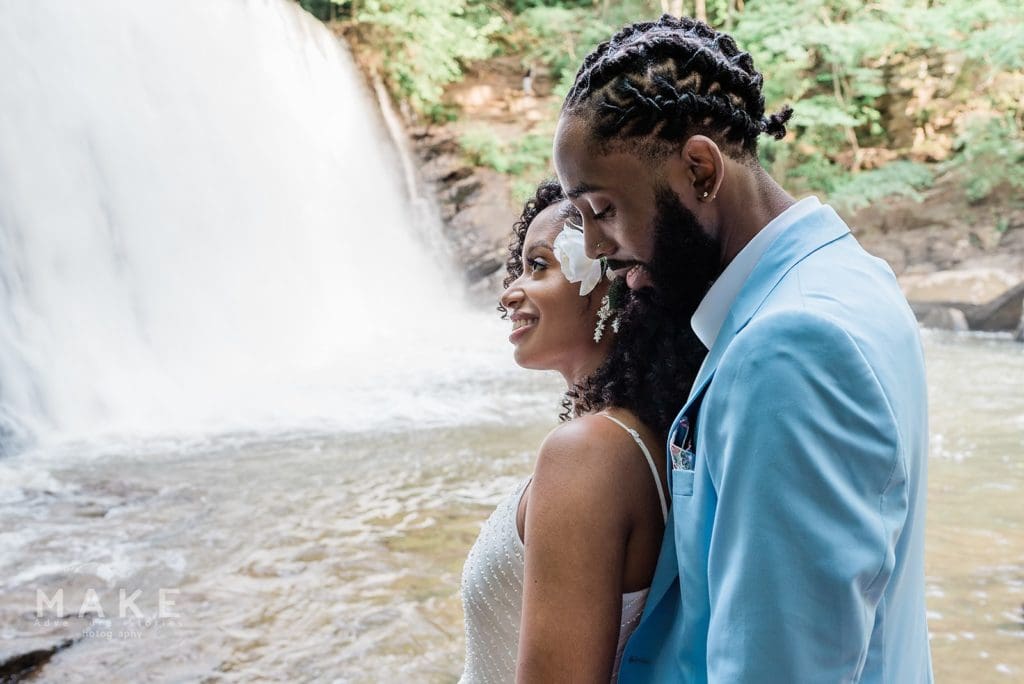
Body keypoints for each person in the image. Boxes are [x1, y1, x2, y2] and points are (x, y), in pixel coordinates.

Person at [552, 15, 933, 683]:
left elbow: (780, 665)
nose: (593, 248)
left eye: (603, 208)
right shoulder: (849, 277)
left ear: (700, 169)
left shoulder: (790, 348)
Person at [459, 180, 704, 682]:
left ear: (610, 278)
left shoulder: (588, 451)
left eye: (540, 265)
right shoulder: (642, 434)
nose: (510, 292)